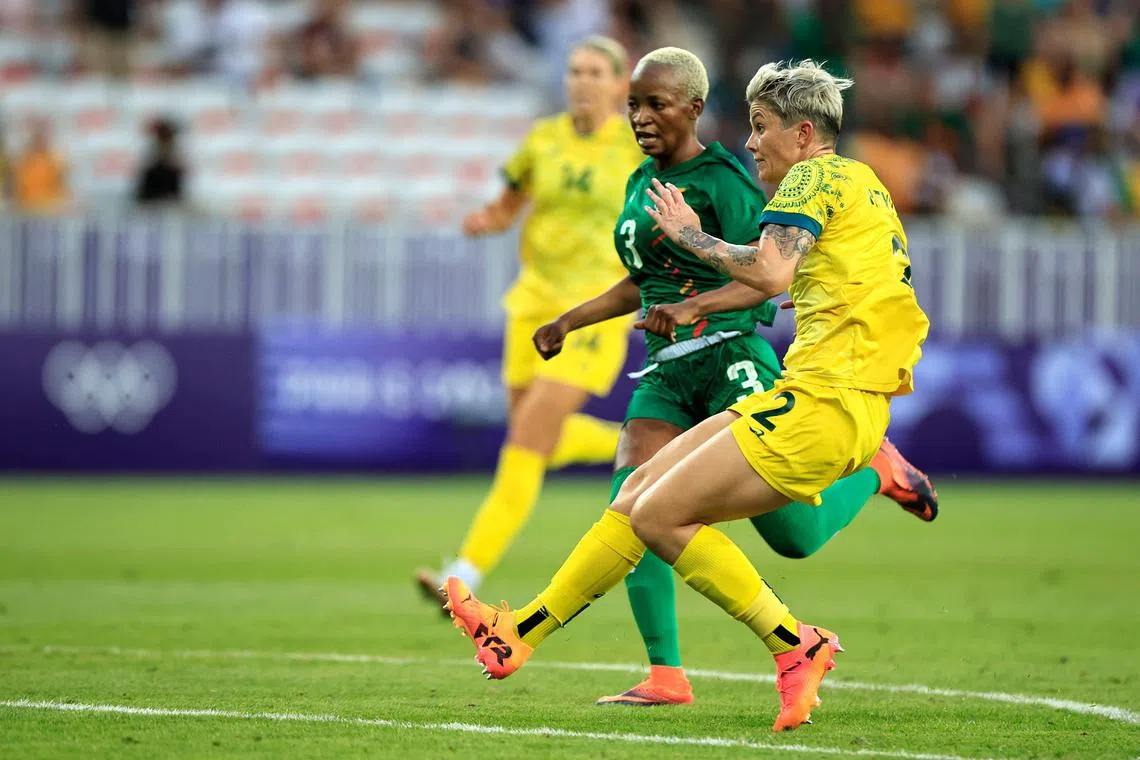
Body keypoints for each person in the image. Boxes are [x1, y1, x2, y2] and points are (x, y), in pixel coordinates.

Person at [441, 59, 931, 733]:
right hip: (821, 395)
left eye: (761, 126)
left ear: (803, 133)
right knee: (637, 493)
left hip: (824, 401)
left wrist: (690, 236)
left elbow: (768, 272)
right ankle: (518, 632)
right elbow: (838, 270)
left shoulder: (808, 176)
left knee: (669, 519)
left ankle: (795, 641)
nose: (752, 141)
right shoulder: (862, 181)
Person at [415, 37, 646, 604]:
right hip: (531, 305)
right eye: (575, 70)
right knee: (534, 440)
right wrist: (486, 220)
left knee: (525, 438)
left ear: (620, 85)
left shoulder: (638, 150)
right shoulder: (541, 140)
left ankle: (464, 576)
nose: (582, 81)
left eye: (595, 72)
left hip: (591, 313)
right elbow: (508, 206)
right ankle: (639, 444)